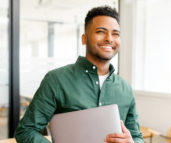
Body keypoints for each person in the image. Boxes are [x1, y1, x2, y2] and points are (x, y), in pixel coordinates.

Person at [15, 6, 144, 143]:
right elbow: (26, 130)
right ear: (84, 39)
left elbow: (136, 136)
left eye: (115, 34)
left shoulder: (125, 89)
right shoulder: (56, 80)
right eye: (101, 32)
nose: (109, 39)